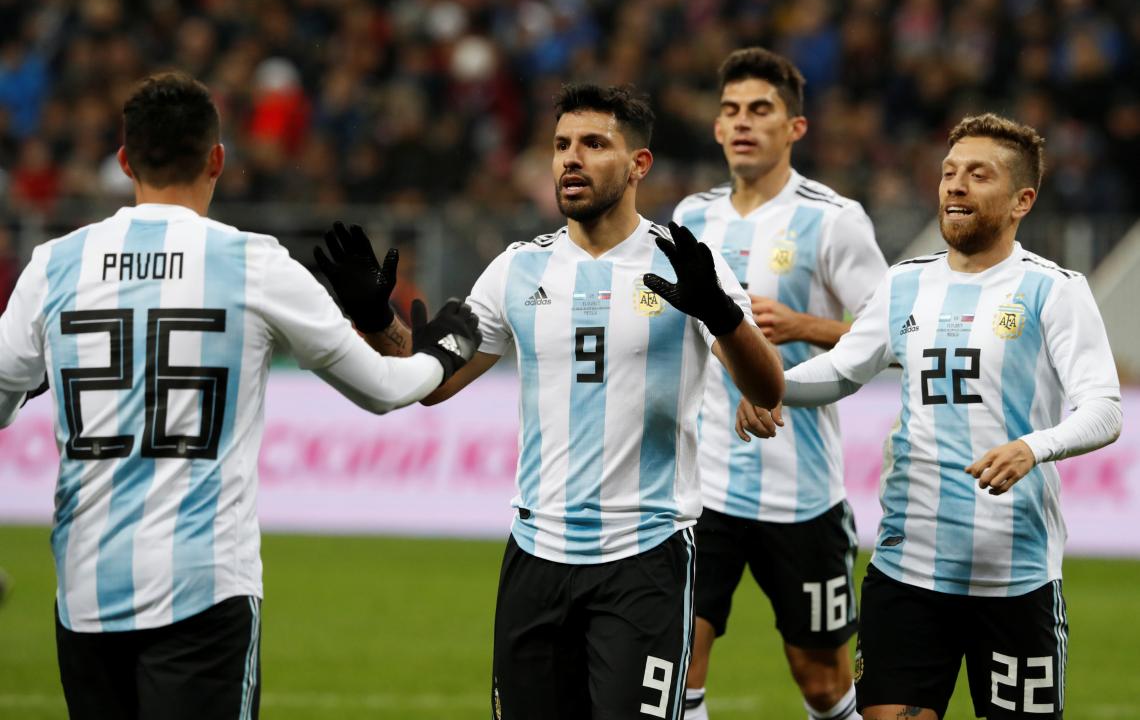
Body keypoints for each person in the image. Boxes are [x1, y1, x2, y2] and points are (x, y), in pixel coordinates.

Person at [0, 72, 481, 720]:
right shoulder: (253, 263)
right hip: (203, 590)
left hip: (84, 595)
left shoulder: (54, 265)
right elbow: (384, 389)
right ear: (217, 159)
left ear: (124, 161)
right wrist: (442, 352)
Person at [323, 83, 785, 719]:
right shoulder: (516, 269)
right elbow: (428, 380)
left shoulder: (685, 266)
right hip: (536, 557)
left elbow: (769, 389)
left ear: (637, 165)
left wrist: (722, 314)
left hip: (644, 555)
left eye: (595, 144)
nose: (572, 158)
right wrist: (376, 318)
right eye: (562, 145)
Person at [757, 113, 1122, 719]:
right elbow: (845, 370)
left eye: (979, 176)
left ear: (1021, 201)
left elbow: (1105, 409)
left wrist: (1034, 447)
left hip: (1016, 576)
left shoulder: (1053, 290)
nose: (956, 185)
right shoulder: (906, 284)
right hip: (908, 566)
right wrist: (773, 385)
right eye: (950, 172)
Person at [675, 47, 887, 720]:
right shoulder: (691, 217)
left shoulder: (833, 218)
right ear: (715, 128)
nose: (743, 122)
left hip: (802, 490)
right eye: (731, 110)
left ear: (795, 127)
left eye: (761, 110)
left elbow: (898, 334)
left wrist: (809, 326)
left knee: (823, 683)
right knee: (679, 669)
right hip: (701, 488)